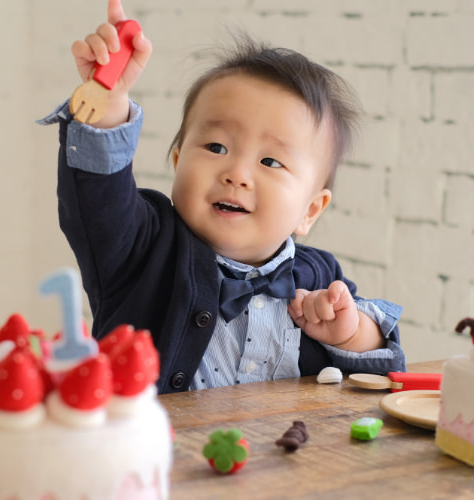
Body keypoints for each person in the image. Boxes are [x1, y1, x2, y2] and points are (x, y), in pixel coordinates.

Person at [40, 0, 405, 394]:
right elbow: (100, 203)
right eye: (216, 147)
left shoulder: (319, 276)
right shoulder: (142, 246)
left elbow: (381, 370)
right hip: (159, 436)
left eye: (270, 161)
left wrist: (350, 334)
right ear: (178, 161)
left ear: (310, 210)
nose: (237, 174)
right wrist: (107, 102)